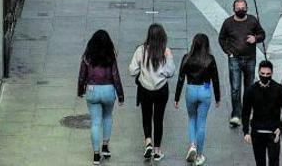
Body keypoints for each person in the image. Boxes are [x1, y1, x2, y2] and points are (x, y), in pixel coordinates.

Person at [77, 30, 125, 165]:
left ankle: (96, 154)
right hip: (108, 90)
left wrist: (80, 90)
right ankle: (105, 146)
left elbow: (82, 75)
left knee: (95, 122)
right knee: (108, 117)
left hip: (92, 90)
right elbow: (116, 76)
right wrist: (120, 95)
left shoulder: (87, 57)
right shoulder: (110, 57)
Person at [129, 24, 176, 161]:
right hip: (161, 89)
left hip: (145, 89)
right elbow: (170, 71)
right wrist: (169, 58)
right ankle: (157, 150)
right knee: (158, 118)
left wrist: (141, 73)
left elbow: (132, 70)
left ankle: (148, 141)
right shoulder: (165, 51)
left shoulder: (141, 50)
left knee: (146, 116)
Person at [173, 34, 221, 166]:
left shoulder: (186, 58)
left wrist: (176, 97)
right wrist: (218, 97)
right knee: (202, 122)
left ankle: (192, 144)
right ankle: (199, 155)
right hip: (205, 90)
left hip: (191, 89)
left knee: (191, 119)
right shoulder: (210, 59)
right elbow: (215, 79)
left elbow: (181, 78)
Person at [219, 0, 266, 127]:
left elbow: (262, 34)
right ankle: (236, 114)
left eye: (243, 7)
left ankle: (246, 111)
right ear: (234, 9)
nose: (240, 9)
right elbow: (221, 38)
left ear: (247, 8)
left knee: (249, 87)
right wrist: (229, 52)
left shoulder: (252, 20)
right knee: (235, 88)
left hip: (250, 58)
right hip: (234, 59)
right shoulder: (228, 23)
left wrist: (255, 38)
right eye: (238, 7)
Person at [242, 60, 282, 166]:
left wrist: (281, 127)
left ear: (272, 73)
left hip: (273, 132)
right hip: (257, 132)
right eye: (262, 74)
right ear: (258, 73)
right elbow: (245, 111)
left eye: (268, 74)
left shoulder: (278, 89)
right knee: (260, 162)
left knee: (274, 162)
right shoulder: (251, 90)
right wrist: (246, 131)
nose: (265, 76)